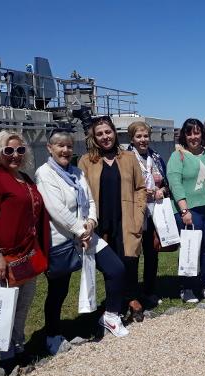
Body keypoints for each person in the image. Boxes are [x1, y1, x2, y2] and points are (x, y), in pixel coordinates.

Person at [36, 130, 129, 351]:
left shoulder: (77, 172)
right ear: (50, 148)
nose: (65, 150)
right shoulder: (45, 173)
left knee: (116, 269)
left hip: (86, 233)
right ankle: (52, 335)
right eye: (60, 145)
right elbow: (56, 209)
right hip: (63, 240)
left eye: (69, 146)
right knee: (59, 290)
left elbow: (89, 200)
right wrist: (81, 230)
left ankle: (110, 315)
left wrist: (91, 222)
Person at [0, 130, 50, 373]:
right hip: (6, 257)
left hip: (28, 254)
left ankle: (19, 347)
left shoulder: (25, 179)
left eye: (20, 150)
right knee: (5, 307)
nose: (15, 155)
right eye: (8, 151)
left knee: (23, 305)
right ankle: (5, 358)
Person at [78, 116, 147, 321]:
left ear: (114, 133)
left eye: (108, 132)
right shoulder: (86, 161)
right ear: (94, 137)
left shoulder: (128, 157)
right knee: (110, 265)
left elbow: (140, 188)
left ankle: (132, 298)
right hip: (100, 220)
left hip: (126, 218)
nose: (105, 137)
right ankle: (113, 304)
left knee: (129, 260)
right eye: (100, 134)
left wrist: (138, 213)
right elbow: (81, 193)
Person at [167, 118, 205, 303]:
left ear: (202, 134)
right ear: (184, 135)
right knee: (190, 249)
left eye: (197, 132)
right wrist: (184, 211)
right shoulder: (178, 156)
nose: (194, 136)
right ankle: (188, 287)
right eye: (189, 133)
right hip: (189, 211)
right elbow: (175, 184)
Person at [127, 121, 169, 307]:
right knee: (133, 254)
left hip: (155, 212)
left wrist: (163, 191)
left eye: (145, 136)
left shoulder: (157, 157)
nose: (143, 140)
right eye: (138, 136)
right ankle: (132, 294)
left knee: (152, 252)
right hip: (134, 212)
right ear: (132, 138)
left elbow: (166, 183)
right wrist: (144, 192)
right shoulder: (126, 158)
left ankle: (150, 290)